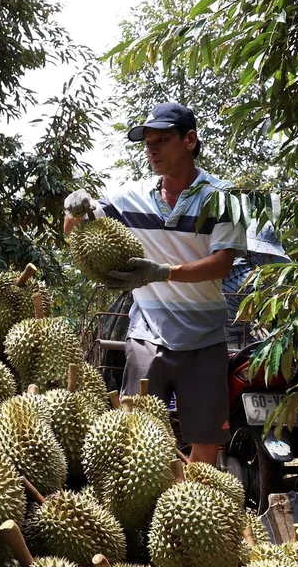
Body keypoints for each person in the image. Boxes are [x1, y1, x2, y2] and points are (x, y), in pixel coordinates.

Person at [63, 102, 247, 465]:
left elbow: (222, 264)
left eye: (162, 140)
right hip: (147, 333)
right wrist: (72, 210)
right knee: (138, 440)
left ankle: (194, 513)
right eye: (147, 142)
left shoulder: (224, 197)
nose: (152, 149)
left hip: (204, 337)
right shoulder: (129, 198)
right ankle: (147, 516)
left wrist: (163, 272)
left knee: (205, 442)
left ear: (190, 140)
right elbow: (75, 234)